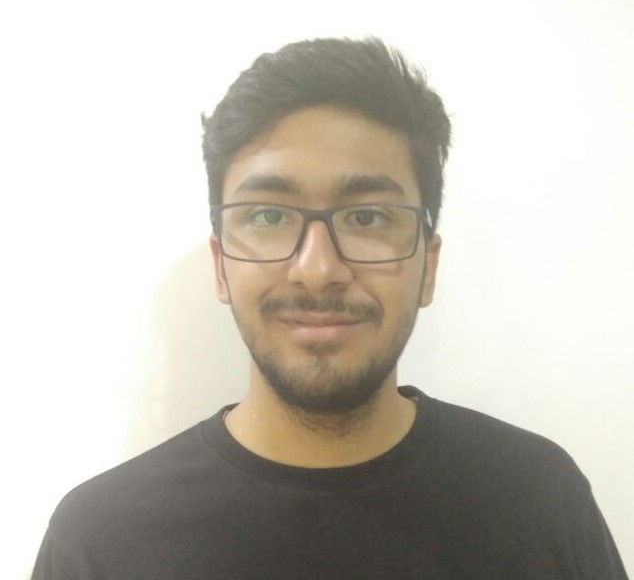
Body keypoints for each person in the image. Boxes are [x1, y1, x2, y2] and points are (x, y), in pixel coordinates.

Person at [32, 37, 628, 579]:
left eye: (367, 217)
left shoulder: (539, 498)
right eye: (268, 215)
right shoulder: (99, 541)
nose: (317, 269)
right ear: (221, 265)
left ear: (428, 266)